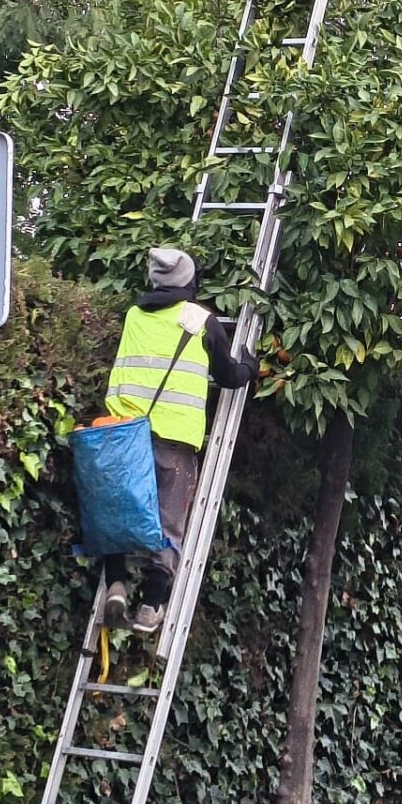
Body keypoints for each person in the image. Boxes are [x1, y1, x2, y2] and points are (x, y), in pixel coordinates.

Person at [101, 246, 253, 635]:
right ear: (189, 280)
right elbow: (229, 376)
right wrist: (250, 366)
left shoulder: (134, 315)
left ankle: (116, 584)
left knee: (120, 513)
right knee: (168, 523)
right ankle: (151, 605)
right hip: (174, 440)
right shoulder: (201, 320)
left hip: (124, 432)